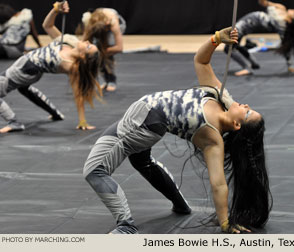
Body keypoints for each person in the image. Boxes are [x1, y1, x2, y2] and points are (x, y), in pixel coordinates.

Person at [83, 27, 272, 234]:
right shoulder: (222, 97)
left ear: (237, 126)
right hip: (146, 121)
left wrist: (225, 222)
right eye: (249, 107)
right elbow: (201, 61)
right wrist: (216, 39)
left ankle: (126, 226)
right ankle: (181, 204)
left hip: (142, 122)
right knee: (142, 162)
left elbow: (218, 184)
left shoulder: (212, 137)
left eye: (248, 113)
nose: (245, 106)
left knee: (94, 171)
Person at [0, 1, 101, 133]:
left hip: (26, 70)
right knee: (25, 89)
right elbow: (47, 26)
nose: (87, 41)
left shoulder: (71, 65)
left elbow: (78, 95)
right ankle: (56, 114)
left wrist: (82, 121)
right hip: (26, 66)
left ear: (83, 57)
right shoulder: (67, 42)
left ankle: (14, 123)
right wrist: (56, 10)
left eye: (88, 46)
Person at [224, 0, 294, 76]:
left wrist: (290, 65)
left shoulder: (282, 26)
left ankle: (247, 68)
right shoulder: (281, 8)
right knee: (234, 46)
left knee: (228, 48)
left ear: (291, 20)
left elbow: (286, 46)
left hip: (245, 25)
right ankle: (254, 63)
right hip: (247, 19)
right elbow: (263, 2)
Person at [77, 7, 126, 92]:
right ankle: (102, 79)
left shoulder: (114, 24)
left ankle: (111, 79)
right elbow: (83, 42)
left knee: (105, 54)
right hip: (98, 25)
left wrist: (102, 52)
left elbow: (119, 48)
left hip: (115, 23)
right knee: (94, 52)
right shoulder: (90, 22)